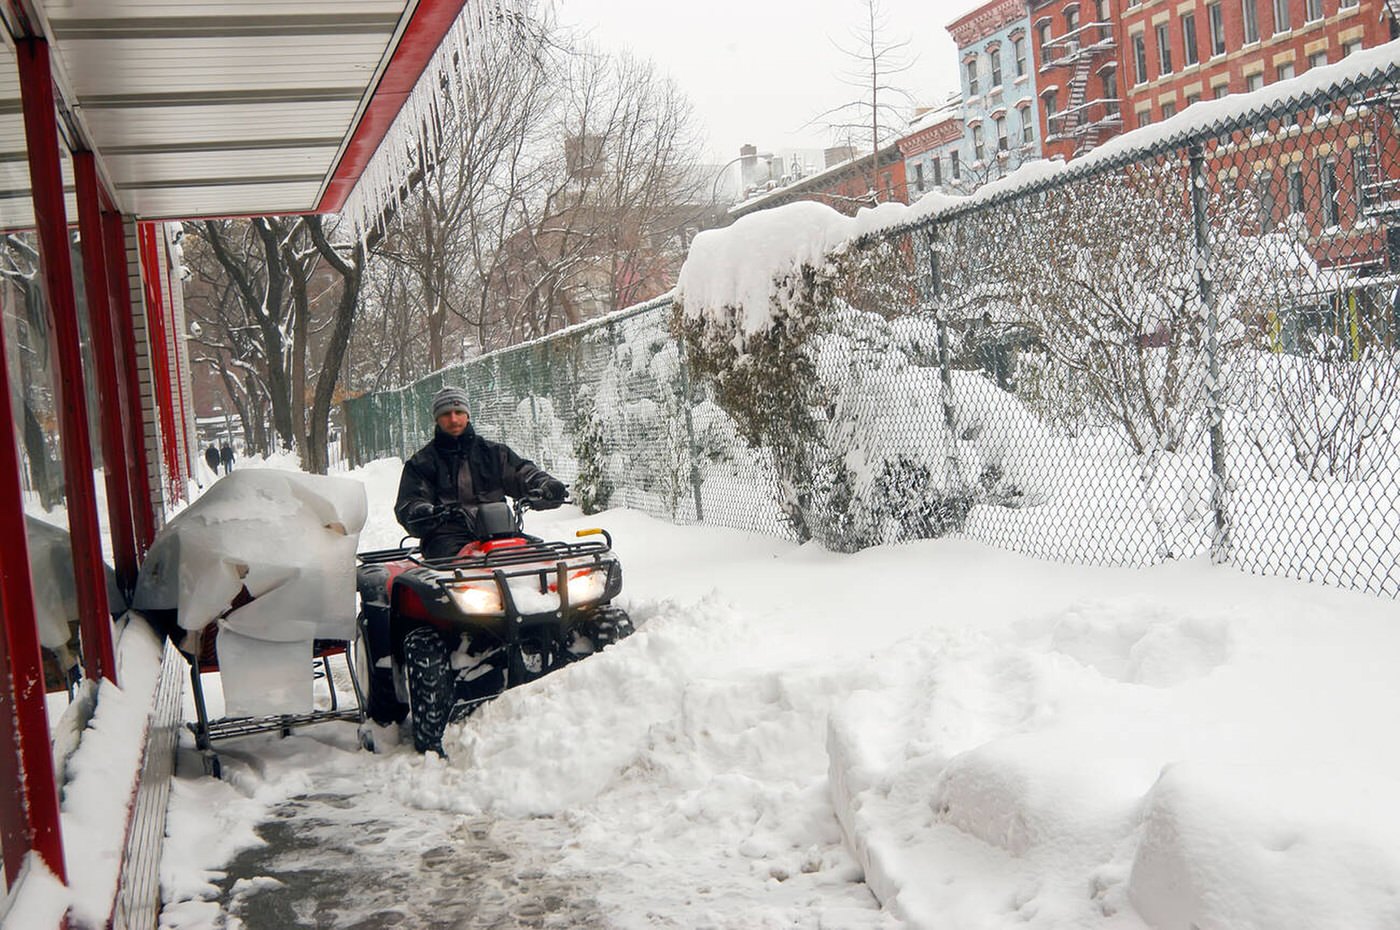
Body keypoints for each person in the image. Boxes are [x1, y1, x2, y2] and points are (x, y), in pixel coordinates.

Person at [393, 386, 567, 560]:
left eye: (458, 411)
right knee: (461, 568)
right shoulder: (422, 462)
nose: (453, 419)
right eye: (446, 414)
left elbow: (522, 473)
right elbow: (409, 502)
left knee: (545, 560)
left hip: (500, 532)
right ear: (437, 418)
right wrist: (423, 512)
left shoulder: (494, 453)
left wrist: (545, 485)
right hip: (447, 537)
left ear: (467, 415)